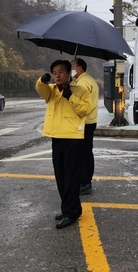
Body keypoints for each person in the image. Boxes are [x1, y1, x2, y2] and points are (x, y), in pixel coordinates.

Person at [36, 59, 91, 229]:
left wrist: (70, 96)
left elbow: (85, 110)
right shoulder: (51, 90)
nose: (57, 75)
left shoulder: (80, 90)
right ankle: (70, 207)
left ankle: (71, 212)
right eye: (54, 72)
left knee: (71, 177)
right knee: (60, 176)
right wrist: (42, 80)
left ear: (69, 73)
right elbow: (41, 89)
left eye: (61, 71)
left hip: (73, 138)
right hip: (56, 137)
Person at [71, 57, 99, 195]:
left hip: (84, 121)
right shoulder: (89, 80)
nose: (72, 69)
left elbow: (77, 103)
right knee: (87, 152)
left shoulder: (82, 83)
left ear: (79, 68)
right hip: (90, 121)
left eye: (73, 66)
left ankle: (84, 182)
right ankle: (86, 181)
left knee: (82, 154)